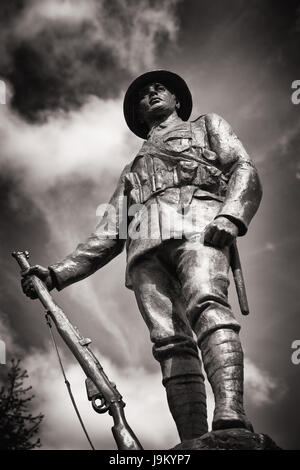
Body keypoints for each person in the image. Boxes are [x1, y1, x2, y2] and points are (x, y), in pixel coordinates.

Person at [22, 70, 262, 443]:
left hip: (199, 226)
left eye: (159, 89)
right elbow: (109, 233)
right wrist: (56, 274)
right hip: (145, 253)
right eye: (142, 95)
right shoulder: (131, 170)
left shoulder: (207, 126)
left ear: (177, 100)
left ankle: (230, 411)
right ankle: (193, 439)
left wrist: (231, 214)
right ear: (137, 114)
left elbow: (242, 169)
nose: (150, 94)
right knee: (169, 341)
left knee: (209, 307)